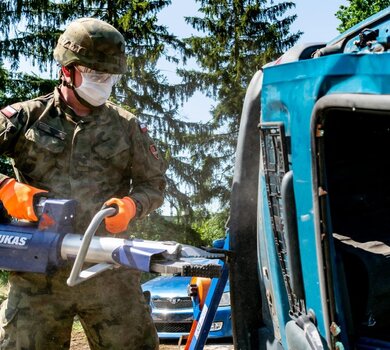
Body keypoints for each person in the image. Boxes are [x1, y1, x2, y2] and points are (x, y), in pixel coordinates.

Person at [0, 17, 166, 349]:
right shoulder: (26, 117)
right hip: (37, 279)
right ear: (68, 70)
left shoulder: (127, 128)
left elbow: (155, 184)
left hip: (109, 273)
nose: (103, 83)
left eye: (110, 77)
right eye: (95, 74)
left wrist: (131, 206)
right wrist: (7, 191)